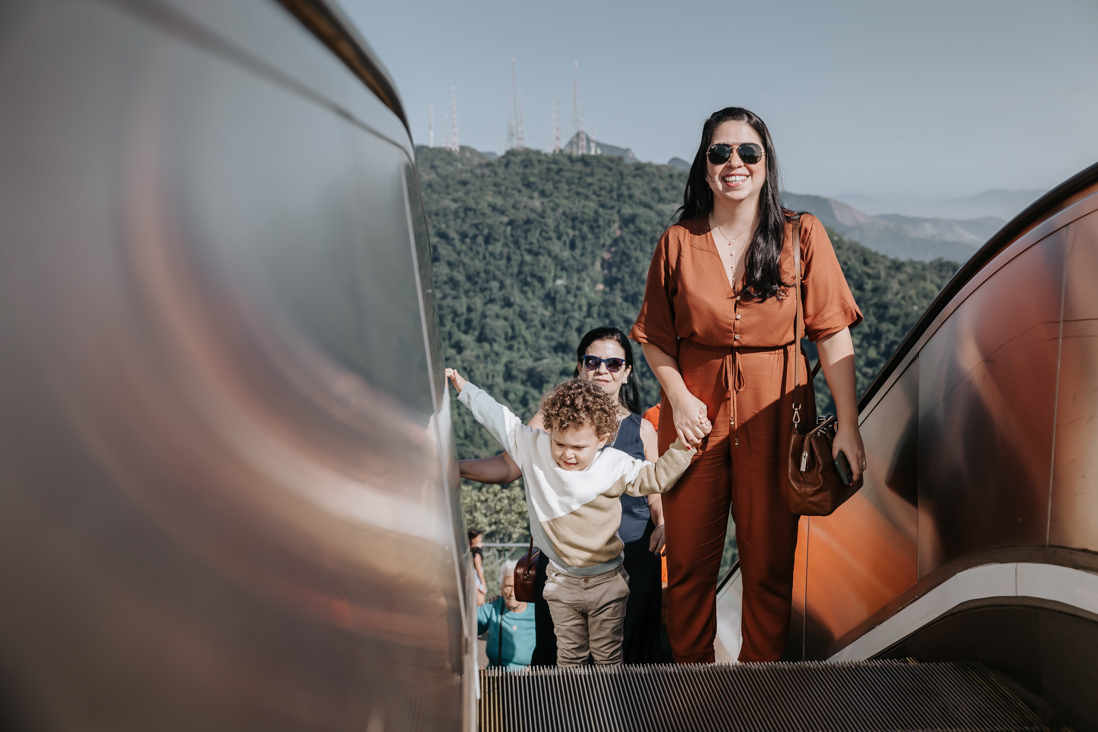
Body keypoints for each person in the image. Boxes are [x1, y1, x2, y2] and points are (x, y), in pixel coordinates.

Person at [630, 106, 866, 664]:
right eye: (720, 152)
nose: (734, 162)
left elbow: (832, 335)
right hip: (693, 420)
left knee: (768, 566)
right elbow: (654, 337)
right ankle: (693, 690)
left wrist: (848, 427)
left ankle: (760, 696)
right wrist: (681, 400)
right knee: (687, 565)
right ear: (704, 165)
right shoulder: (677, 242)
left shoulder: (800, 234)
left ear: (766, 163)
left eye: (747, 152)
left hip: (777, 416)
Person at [446, 370, 695, 666]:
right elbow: (499, 418)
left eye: (579, 448)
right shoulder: (535, 447)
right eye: (560, 444)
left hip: (607, 581)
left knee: (607, 657)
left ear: (603, 439)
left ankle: (606, 710)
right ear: (550, 430)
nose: (568, 455)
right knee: (569, 656)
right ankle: (573, 709)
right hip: (561, 580)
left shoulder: (614, 465)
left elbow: (656, 478)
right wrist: (464, 388)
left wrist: (685, 445)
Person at [477, 559, 537, 670]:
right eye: (508, 586)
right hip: (494, 679)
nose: (512, 593)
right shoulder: (493, 608)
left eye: (517, 586)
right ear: (501, 588)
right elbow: (466, 623)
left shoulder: (536, 614)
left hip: (527, 681)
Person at [469, 529, 488, 606]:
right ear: (473, 539)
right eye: (479, 537)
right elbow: (478, 569)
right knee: (481, 604)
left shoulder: (471, 551)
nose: (480, 539)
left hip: (473, 582)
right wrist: (483, 584)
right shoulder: (476, 554)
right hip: (476, 583)